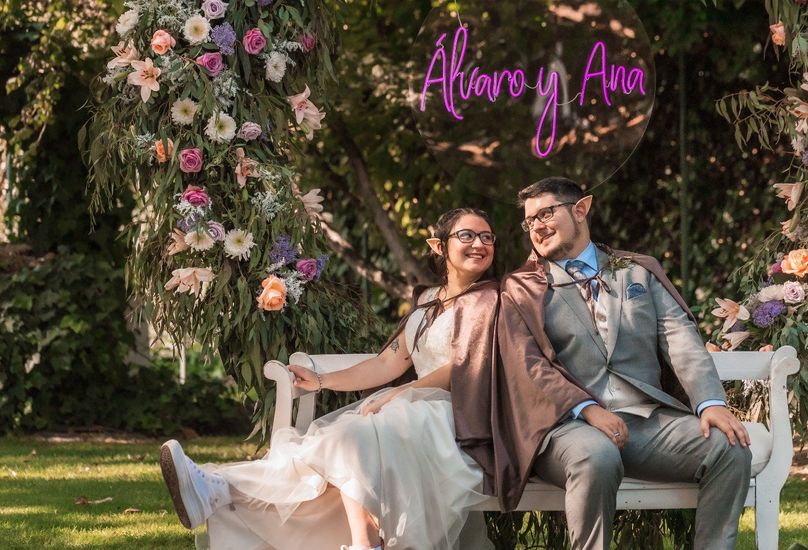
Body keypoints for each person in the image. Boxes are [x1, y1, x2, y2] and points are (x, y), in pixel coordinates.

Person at [160, 208, 500, 550]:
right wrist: (322, 380)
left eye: (487, 237)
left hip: (454, 415)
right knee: (334, 443)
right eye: (467, 235)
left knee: (348, 437)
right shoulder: (427, 301)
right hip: (413, 408)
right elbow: (386, 363)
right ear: (438, 246)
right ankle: (219, 488)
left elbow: (465, 366)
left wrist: (400, 395)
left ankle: (219, 487)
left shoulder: (491, 300)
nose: (479, 244)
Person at [492, 177, 753, 550]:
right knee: (596, 455)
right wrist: (588, 409)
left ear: (580, 209)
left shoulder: (637, 272)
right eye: (529, 221)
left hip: (647, 423)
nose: (537, 226)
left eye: (546, 213)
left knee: (729, 448)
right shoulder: (521, 288)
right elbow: (529, 366)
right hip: (568, 429)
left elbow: (681, 339)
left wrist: (710, 403)